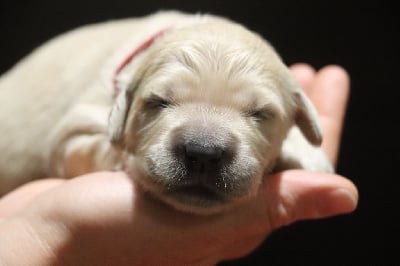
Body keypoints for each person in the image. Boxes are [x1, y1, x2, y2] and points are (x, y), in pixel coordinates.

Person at [0, 64, 358, 265]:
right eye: (159, 103)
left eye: (259, 113)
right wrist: (46, 239)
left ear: (300, 117)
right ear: (125, 102)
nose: (204, 150)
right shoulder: (120, 75)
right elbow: (70, 141)